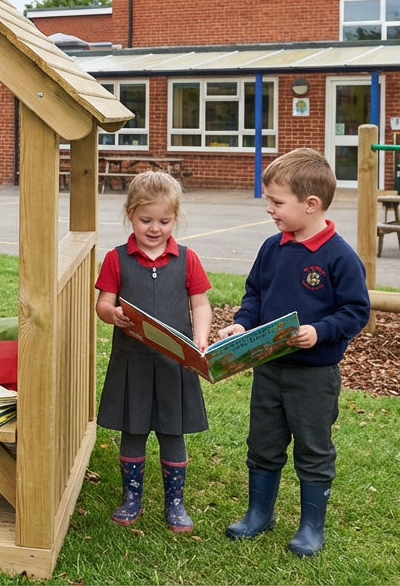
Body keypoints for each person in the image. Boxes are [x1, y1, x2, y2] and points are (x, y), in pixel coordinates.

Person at [217, 147, 370, 557]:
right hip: (268, 370)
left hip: (314, 376)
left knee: (312, 449)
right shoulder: (272, 248)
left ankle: (310, 527)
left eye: (276, 202)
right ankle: (258, 514)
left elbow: (356, 312)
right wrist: (242, 323)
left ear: (311, 204)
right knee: (263, 444)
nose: (269, 209)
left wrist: (319, 332)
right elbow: (255, 294)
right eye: (269, 200)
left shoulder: (339, 256)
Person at [93, 171, 212, 533]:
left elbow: (201, 304)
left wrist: (201, 339)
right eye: (146, 220)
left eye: (165, 220)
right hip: (133, 363)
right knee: (133, 429)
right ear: (130, 215)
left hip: (176, 363)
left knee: (172, 432)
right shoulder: (116, 259)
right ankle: (132, 498)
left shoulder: (187, 258)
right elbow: (103, 304)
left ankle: (175, 503)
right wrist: (111, 314)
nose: (155, 228)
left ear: (176, 218)